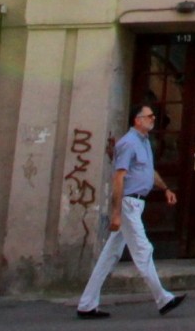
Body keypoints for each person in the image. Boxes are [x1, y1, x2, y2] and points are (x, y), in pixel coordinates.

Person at [74, 103, 186, 318]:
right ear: (137, 120)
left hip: (136, 203)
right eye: (149, 116)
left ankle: (86, 304)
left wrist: (165, 189)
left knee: (109, 255)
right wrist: (116, 213)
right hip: (128, 204)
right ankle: (163, 298)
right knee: (143, 250)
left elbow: (148, 172)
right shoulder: (128, 143)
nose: (153, 119)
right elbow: (119, 178)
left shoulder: (144, 142)